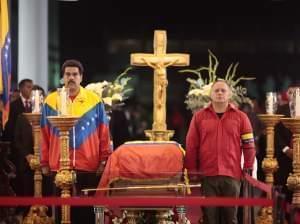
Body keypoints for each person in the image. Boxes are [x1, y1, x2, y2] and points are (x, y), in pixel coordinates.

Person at [40, 59, 112, 224]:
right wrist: (44, 161)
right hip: (58, 166)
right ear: (62, 77)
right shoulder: (50, 101)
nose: (71, 78)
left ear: (81, 77)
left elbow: (104, 134)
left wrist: (103, 160)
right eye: (67, 74)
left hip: (87, 166)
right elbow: (43, 134)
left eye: (74, 74)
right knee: (60, 214)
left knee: (85, 215)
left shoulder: (94, 101)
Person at [184, 79, 256, 224]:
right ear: (210, 94)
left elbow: (249, 145)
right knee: (210, 218)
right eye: (216, 90)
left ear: (229, 94)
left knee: (231, 219)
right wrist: (192, 171)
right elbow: (191, 146)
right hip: (208, 175)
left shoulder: (241, 117)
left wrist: (247, 168)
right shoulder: (199, 117)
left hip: (232, 175)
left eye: (223, 90)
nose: (220, 93)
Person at [2, 79, 33, 197]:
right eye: (28, 87)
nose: (30, 89)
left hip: (32, 148)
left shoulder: (35, 105)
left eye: (32, 87)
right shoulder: (14, 106)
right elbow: (10, 128)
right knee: (20, 180)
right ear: (21, 88)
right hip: (19, 148)